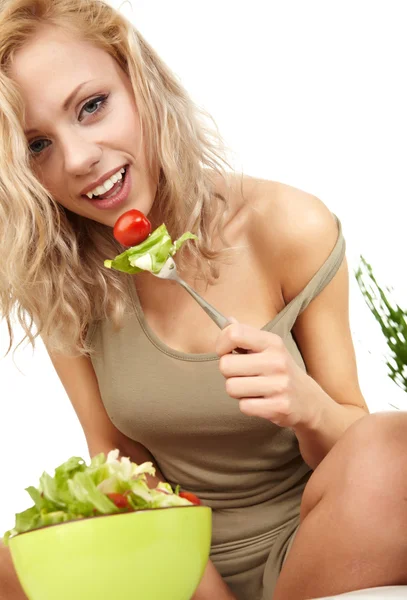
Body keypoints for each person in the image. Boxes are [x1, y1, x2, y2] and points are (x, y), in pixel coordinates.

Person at [0, 1, 406, 599]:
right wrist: (195, 580)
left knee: (392, 448)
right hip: (174, 558)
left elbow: (357, 449)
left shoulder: (287, 226)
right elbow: (119, 462)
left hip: (320, 543)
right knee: (13, 562)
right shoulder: (61, 278)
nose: (80, 158)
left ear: (139, 81)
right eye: (38, 146)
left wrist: (305, 406)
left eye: (92, 106)